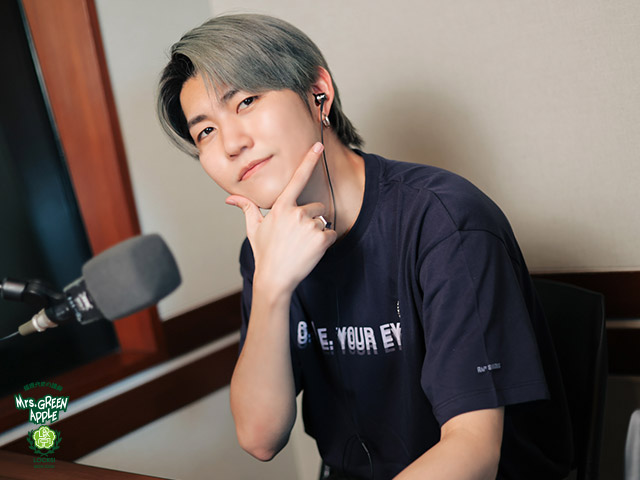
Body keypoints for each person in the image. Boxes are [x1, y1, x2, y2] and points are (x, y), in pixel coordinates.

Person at [157, 14, 573, 480]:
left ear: (319, 93)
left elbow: (473, 451)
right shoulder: (268, 247)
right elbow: (259, 437)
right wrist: (272, 287)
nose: (231, 144)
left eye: (246, 102)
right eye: (205, 132)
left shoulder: (444, 220)